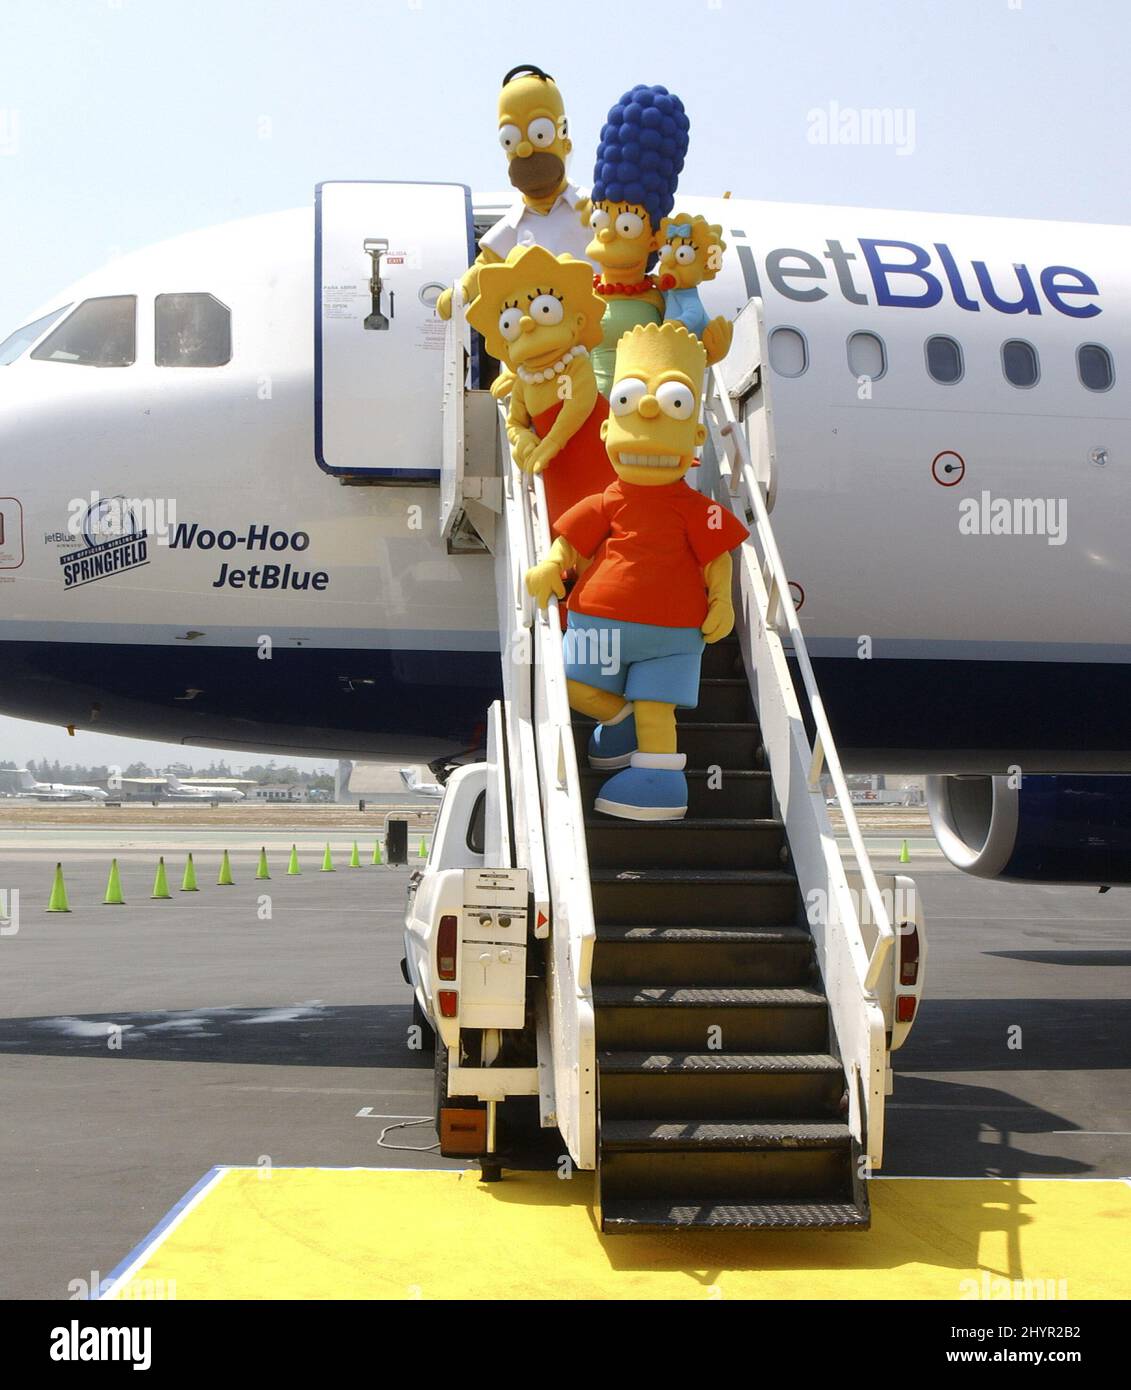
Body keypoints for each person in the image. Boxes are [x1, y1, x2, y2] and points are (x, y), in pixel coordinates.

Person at [525, 321, 749, 820]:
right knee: (569, 682)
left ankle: (659, 783)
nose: (647, 415)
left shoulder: (695, 508)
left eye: (672, 405)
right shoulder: (608, 499)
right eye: (627, 403)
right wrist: (551, 565)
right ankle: (620, 720)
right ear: (608, 427)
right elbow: (571, 541)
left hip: (673, 630)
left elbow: (718, 554)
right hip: (604, 621)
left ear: (693, 434)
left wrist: (723, 599)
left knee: (657, 708)